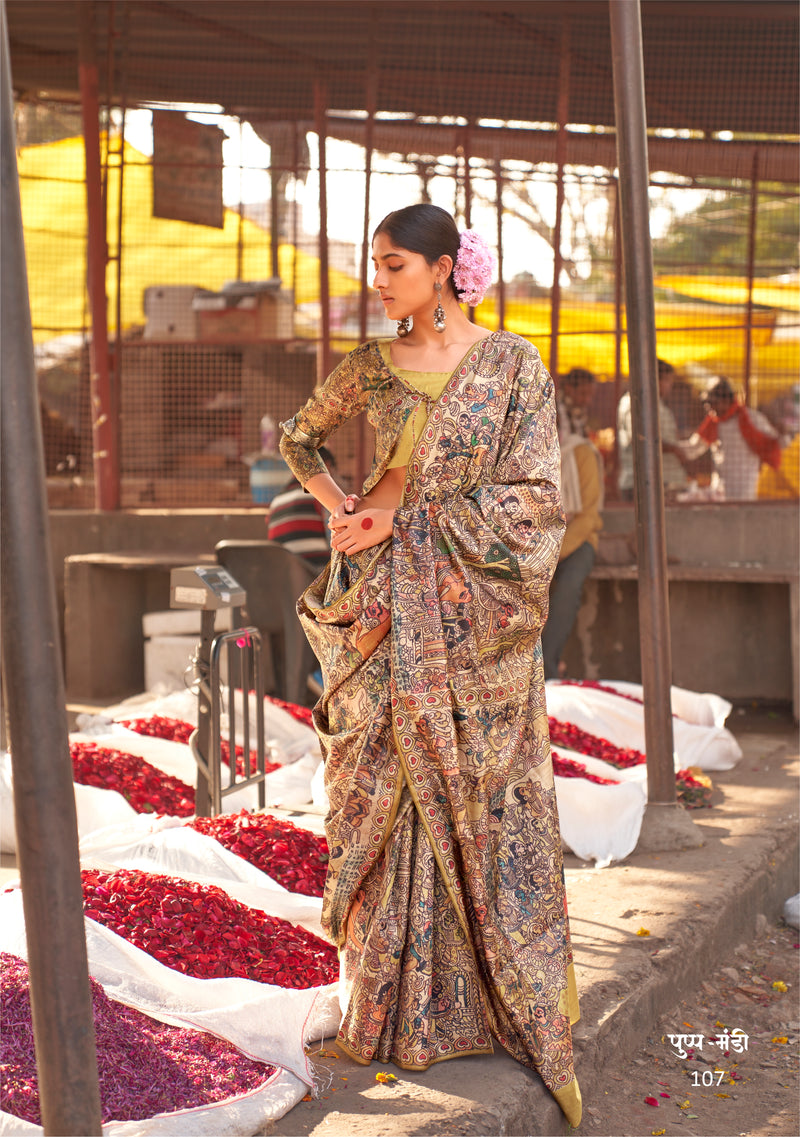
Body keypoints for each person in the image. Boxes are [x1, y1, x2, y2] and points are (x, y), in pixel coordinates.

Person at [279, 204, 581, 1126]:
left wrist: (403, 519)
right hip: (376, 603)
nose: (380, 279)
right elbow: (301, 438)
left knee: (477, 797)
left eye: (395, 264)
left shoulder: (511, 367)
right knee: (373, 783)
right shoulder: (368, 368)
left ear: (447, 269)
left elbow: (537, 501)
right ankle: (382, 1003)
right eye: (374, 264)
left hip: (468, 620)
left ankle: (483, 1000)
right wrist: (342, 505)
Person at [542, 417, 604, 680]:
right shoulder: (527, 455)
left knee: (568, 588)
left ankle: (547, 670)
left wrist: (553, 554)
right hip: (536, 543)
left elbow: (588, 516)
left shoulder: (582, 453)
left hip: (579, 541)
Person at [678, 377, 781, 501]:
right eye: (707, 404)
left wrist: (783, 434)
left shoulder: (752, 419)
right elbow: (693, 449)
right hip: (720, 489)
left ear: (726, 401)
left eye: (713, 403)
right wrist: (670, 446)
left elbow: (775, 443)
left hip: (745, 489)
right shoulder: (713, 423)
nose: (709, 408)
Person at [616, 358, 689, 501]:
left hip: (664, 480)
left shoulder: (657, 404)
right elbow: (641, 439)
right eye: (667, 380)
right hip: (642, 483)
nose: (670, 385)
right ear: (654, 380)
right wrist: (674, 449)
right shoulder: (634, 403)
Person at [265, 446, 337, 571]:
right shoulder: (320, 495)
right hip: (315, 575)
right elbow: (336, 539)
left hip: (282, 575)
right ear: (325, 465)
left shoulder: (276, 501)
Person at [558, 367, 596, 438]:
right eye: (583, 393)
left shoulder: (578, 411)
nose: (587, 400)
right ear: (568, 388)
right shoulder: (555, 409)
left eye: (590, 395)